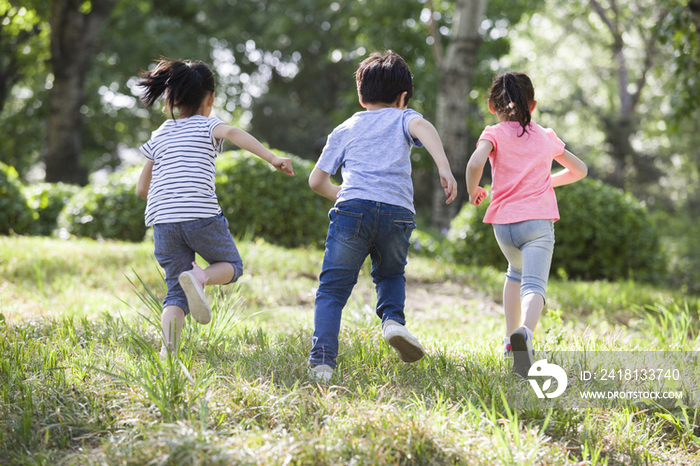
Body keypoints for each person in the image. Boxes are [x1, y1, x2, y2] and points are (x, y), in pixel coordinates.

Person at [307, 51, 458, 381]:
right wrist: (443, 167)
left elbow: (316, 181)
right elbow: (424, 126)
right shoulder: (404, 118)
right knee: (390, 275)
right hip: (397, 213)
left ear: (361, 95)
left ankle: (322, 362)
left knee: (332, 290)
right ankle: (393, 322)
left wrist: (349, 194)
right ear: (403, 97)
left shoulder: (345, 128)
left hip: (352, 212)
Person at [135, 58, 294, 356]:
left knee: (174, 292)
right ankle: (201, 277)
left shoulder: (160, 134)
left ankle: (167, 353)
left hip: (163, 222)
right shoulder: (209, 124)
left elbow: (142, 189)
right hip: (201, 216)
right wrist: (272, 158)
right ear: (210, 99)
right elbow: (233, 133)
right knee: (232, 267)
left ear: (171, 98)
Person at [466, 71, 587, 377]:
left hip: (503, 224)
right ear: (532, 106)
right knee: (534, 284)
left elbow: (474, 163)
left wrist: (473, 190)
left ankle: (509, 341)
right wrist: (546, 182)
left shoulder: (492, 134)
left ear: (492, 106)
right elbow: (580, 170)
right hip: (537, 222)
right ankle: (526, 335)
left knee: (514, 272)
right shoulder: (545, 137)